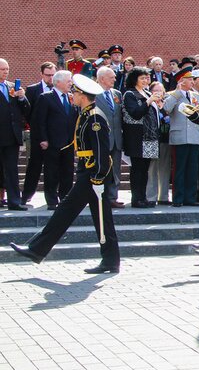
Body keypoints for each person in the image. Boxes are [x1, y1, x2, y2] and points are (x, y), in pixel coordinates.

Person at [10, 74, 120, 274]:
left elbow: (101, 151)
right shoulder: (86, 114)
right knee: (102, 219)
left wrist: (98, 177)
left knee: (65, 211)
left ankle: (37, 249)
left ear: (83, 96)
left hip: (93, 174)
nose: (73, 95)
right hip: (90, 172)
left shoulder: (94, 117)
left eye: (76, 93)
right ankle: (111, 261)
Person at [34, 70, 76, 210]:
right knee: (51, 172)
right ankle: (52, 200)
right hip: (52, 142)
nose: (71, 83)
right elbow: (40, 121)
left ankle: (65, 197)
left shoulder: (71, 97)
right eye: (68, 80)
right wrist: (43, 139)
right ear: (58, 82)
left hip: (69, 142)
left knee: (68, 171)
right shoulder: (46, 97)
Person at [162, 66, 199, 207]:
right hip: (180, 137)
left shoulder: (195, 95)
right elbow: (166, 109)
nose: (192, 82)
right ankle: (178, 198)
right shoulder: (172, 95)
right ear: (181, 80)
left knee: (193, 169)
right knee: (179, 169)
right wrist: (177, 93)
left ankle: (190, 198)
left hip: (194, 136)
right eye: (189, 79)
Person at [122, 67, 161, 208]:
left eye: (147, 77)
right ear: (135, 79)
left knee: (145, 169)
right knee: (137, 168)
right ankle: (136, 198)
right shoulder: (130, 94)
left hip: (149, 136)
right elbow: (136, 113)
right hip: (137, 137)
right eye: (142, 78)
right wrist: (149, 101)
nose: (146, 80)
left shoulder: (146, 93)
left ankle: (143, 197)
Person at [21, 62, 56, 204]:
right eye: (48, 75)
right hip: (36, 136)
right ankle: (27, 195)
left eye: (53, 75)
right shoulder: (32, 89)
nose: (51, 78)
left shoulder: (59, 90)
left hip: (53, 135)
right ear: (42, 74)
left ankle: (52, 197)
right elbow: (27, 111)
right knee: (34, 166)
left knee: (52, 168)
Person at [0, 58, 29, 210]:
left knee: (12, 170)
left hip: (12, 136)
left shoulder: (12, 87)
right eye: (2, 69)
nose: (5, 72)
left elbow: (26, 109)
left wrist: (22, 97)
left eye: (7, 69)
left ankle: (14, 201)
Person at [94, 66, 125, 208]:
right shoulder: (92, 94)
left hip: (116, 139)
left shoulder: (117, 94)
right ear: (101, 79)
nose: (115, 79)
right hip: (100, 139)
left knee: (115, 170)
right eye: (111, 77)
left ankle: (112, 197)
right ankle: (98, 197)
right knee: (100, 169)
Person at [145, 81, 172, 206]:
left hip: (165, 139)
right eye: (155, 90)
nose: (158, 93)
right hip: (151, 139)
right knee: (151, 169)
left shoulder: (167, 105)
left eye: (160, 90)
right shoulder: (148, 103)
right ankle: (151, 197)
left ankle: (163, 196)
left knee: (165, 168)